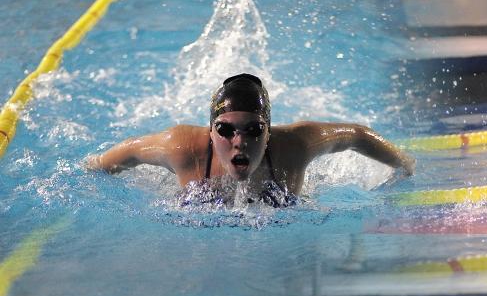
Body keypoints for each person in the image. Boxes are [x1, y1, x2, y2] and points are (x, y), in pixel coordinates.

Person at [86, 73, 415, 205]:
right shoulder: (183, 148)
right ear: (211, 131)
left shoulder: (294, 147)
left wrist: (403, 165)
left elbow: (356, 134)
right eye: (226, 130)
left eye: (254, 130)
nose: (239, 142)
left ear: (268, 132)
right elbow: (125, 153)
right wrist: (94, 168)